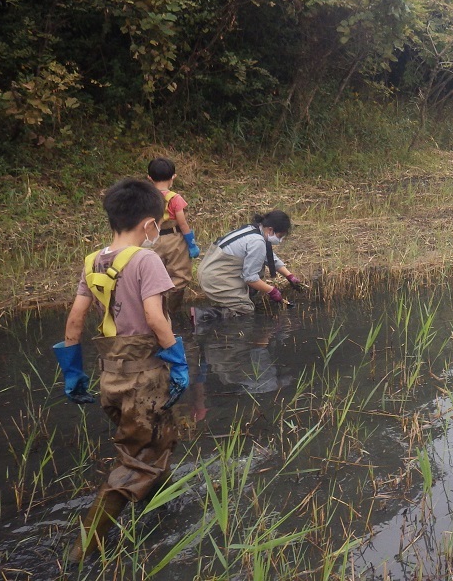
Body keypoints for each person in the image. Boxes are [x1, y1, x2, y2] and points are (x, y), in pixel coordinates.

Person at [55, 178, 189, 561]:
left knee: (152, 445)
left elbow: (76, 319)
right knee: (136, 458)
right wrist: (178, 361)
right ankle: (84, 549)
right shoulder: (147, 259)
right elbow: (154, 316)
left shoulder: (93, 261)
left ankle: (164, 506)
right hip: (145, 378)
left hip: (112, 377)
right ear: (150, 224)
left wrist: (72, 371)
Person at [195, 210, 306, 320]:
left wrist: (289, 276)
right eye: (280, 235)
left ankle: (236, 299)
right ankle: (202, 315)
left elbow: (270, 257)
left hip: (210, 270)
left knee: (256, 273)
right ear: (271, 230)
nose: (280, 240)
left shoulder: (254, 229)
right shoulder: (257, 242)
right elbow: (250, 278)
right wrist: (272, 291)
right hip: (215, 278)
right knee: (246, 310)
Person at [147, 157, 200, 313]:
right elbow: (182, 223)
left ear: (149, 177)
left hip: (151, 239)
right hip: (174, 239)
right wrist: (190, 242)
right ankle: (170, 313)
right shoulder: (175, 198)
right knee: (179, 276)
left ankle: (152, 311)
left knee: (152, 277)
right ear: (173, 177)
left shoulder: (146, 197)